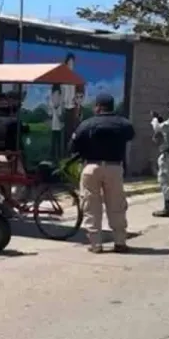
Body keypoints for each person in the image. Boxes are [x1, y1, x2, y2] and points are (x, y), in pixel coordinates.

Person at [68, 92, 136, 253]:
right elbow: (131, 136)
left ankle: (95, 244)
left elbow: (72, 146)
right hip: (114, 168)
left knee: (91, 205)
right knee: (116, 205)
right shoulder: (123, 123)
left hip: (91, 167)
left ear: (98, 107)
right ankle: (120, 242)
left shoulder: (86, 124)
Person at [0, 89, 30, 198]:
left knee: (1, 180)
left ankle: (3, 200)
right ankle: (14, 199)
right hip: (10, 156)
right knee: (21, 177)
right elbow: (25, 129)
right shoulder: (13, 122)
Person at [47, 84, 65, 161]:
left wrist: (57, 108)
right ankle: (53, 155)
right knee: (54, 140)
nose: (55, 98)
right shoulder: (52, 98)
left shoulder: (60, 99)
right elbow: (51, 111)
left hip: (59, 124)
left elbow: (60, 110)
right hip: (55, 124)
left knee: (58, 140)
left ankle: (59, 155)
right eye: (54, 96)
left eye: (57, 96)